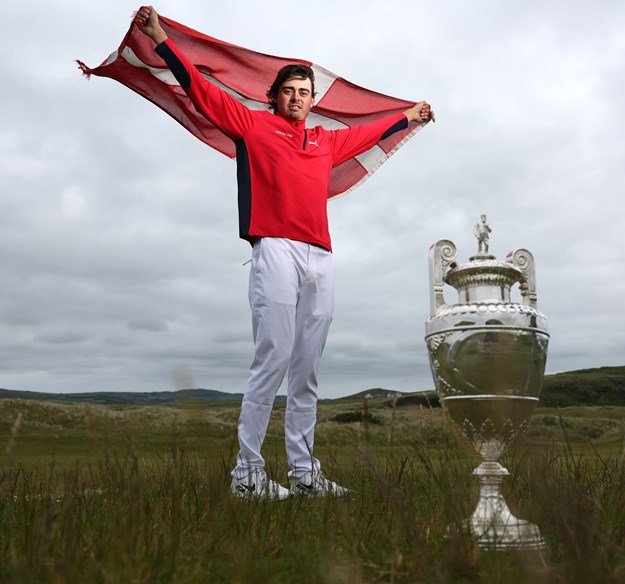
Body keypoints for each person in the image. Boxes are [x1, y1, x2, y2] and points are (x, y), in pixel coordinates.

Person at [134, 6, 433, 500]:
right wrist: (162, 38)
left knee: (307, 368)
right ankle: (247, 476)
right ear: (274, 97)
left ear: (312, 101)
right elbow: (200, 89)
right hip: (273, 249)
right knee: (271, 358)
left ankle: (304, 474)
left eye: (304, 93)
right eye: (288, 92)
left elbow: (372, 131)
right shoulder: (252, 126)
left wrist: (410, 115)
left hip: (320, 256)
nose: (296, 99)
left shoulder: (323, 142)